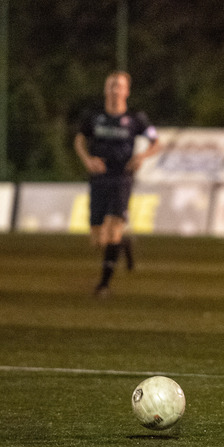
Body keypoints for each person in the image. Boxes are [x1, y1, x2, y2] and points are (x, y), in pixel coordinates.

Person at [74, 71, 161, 296]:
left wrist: (141, 157)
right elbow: (79, 139)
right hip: (99, 178)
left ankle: (104, 285)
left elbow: (156, 142)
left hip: (122, 177)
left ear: (127, 91)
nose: (115, 90)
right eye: (112, 86)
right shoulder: (94, 116)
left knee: (112, 232)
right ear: (106, 90)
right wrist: (87, 160)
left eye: (119, 86)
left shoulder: (136, 118)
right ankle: (125, 243)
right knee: (97, 239)